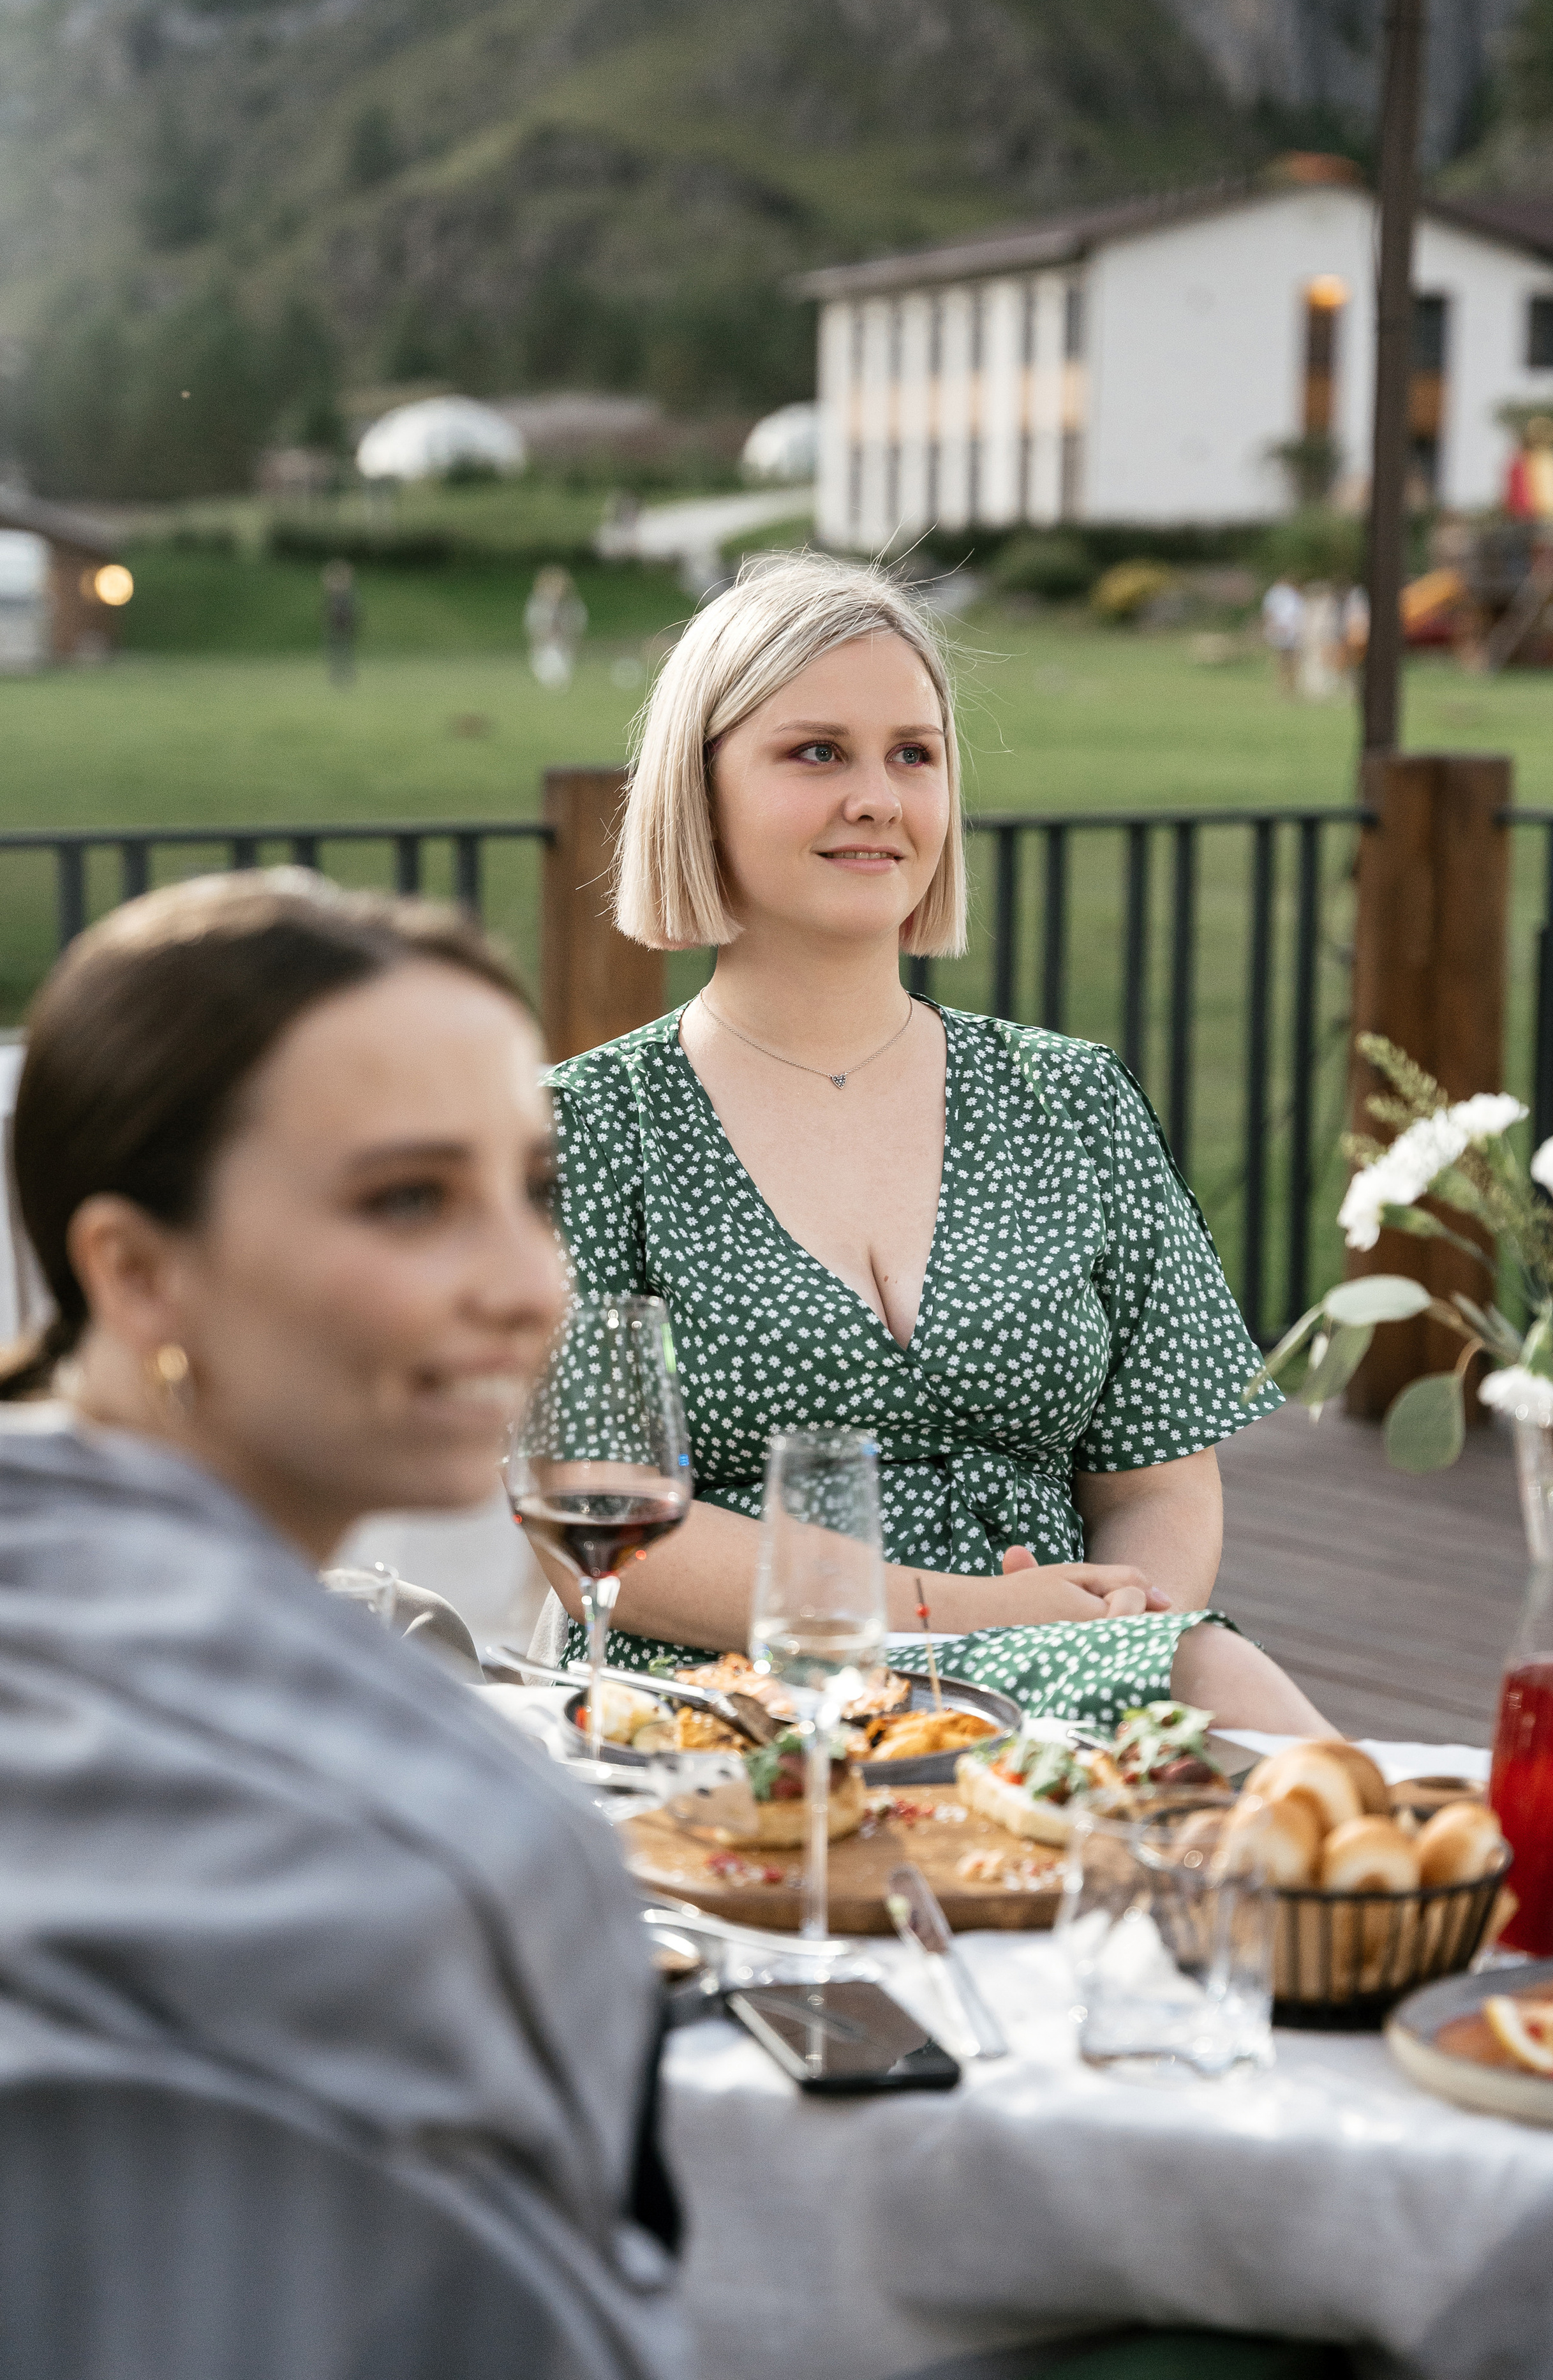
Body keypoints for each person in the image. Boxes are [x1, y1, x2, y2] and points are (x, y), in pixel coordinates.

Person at [0, 871, 690, 2380]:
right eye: (408, 1199)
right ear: (131, 1266)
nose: (527, 1285)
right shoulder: (465, 1848)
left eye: (535, 1190)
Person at [542, 554, 1334, 1739]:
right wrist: (975, 1617)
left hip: (1068, 1690)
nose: (879, 798)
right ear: (697, 789)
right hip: (727, 1704)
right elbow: (603, 1536)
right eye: (818, 753)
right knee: (1238, 1712)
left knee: (1226, 1733)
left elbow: (1162, 1480)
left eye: (913, 753)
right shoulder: (589, 1128)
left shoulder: (1074, 1101)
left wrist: (1116, 1626)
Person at [526, 565, 588, 689]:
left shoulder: (571, 605)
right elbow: (534, 628)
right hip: (545, 648)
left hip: (563, 648)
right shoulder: (538, 606)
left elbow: (577, 625)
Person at [1261, 572, 1304, 695]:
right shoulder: (1276, 594)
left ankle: (1291, 687)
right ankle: (1284, 687)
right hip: (1282, 631)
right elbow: (1269, 612)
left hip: (1291, 631)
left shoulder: (1292, 595)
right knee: (1283, 661)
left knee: (1292, 660)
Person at [320, 557, 358, 687]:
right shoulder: (333, 594)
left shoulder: (346, 594)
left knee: (345, 654)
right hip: (335, 629)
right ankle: (337, 679)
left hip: (344, 629)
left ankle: (346, 678)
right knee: (336, 655)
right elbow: (326, 580)